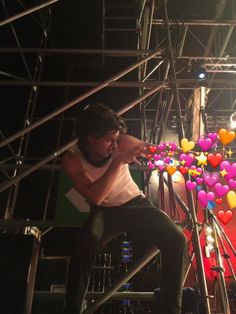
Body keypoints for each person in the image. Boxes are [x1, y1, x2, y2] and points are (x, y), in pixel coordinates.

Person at [62, 103, 187, 314]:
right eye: (110, 140)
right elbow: (96, 196)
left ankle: (171, 309)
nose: (115, 145)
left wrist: (163, 152)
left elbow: (151, 150)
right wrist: (118, 161)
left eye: (117, 139)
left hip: (134, 203)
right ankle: (72, 310)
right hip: (104, 211)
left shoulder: (122, 142)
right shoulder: (72, 159)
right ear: (91, 138)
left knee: (176, 238)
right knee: (82, 248)